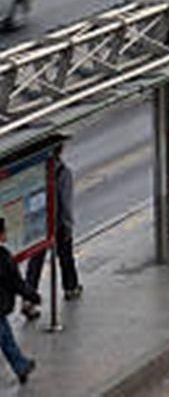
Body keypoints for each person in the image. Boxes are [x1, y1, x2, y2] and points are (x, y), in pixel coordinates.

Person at [22, 159, 79, 314]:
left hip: (39, 223)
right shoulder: (63, 172)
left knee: (35, 262)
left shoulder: (35, 171)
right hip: (58, 222)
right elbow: (65, 201)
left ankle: (28, 299)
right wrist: (68, 224)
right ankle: (70, 287)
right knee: (65, 255)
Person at [0, 218, 37, 384]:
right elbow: (16, 283)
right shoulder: (3, 257)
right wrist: (32, 295)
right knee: (5, 338)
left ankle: (21, 365)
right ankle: (21, 366)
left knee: (6, 338)